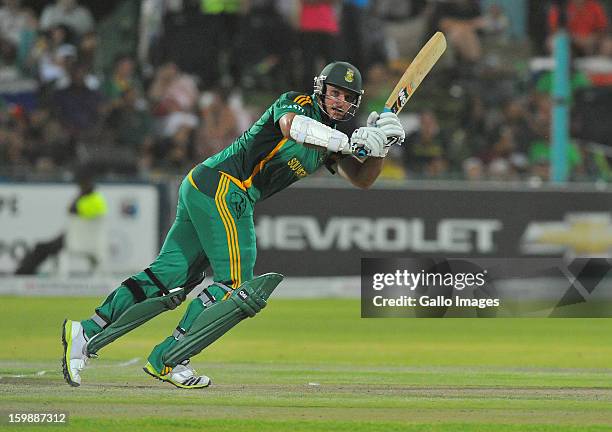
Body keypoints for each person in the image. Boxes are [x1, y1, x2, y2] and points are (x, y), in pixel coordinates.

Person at [61, 61, 405, 389]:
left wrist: (380, 147)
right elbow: (294, 128)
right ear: (319, 89)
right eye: (334, 92)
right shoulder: (296, 103)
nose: (339, 101)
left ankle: (86, 332)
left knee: (169, 281)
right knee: (238, 285)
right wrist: (349, 141)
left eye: (347, 97)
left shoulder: (331, 139)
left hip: (206, 186)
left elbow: (361, 178)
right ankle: (169, 358)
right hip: (226, 186)